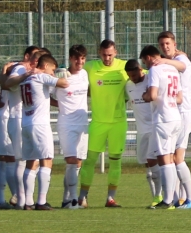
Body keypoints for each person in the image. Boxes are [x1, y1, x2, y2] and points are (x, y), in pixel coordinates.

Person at [151, 31, 191, 208]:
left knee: (178, 158)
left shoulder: (181, 60)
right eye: (162, 44)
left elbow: (182, 66)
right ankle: (178, 198)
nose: (165, 47)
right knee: (171, 158)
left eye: (167, 43)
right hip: (174, 114)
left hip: (184, 112)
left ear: (174, 43)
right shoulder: (169, 63)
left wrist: (164, 60)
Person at [81, 39, 129, 207]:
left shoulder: (125, 66)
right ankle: (83, 197)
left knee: (115, 160)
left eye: (110, 55)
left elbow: (151, 71)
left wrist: (175, 57)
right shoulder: (91, 67)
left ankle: (110, 198)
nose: (107, 58)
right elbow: (70, 70)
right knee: (89, 160)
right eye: (103, 55)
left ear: (116, 53)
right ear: (99, 53)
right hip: (98, 122)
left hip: (118, 123)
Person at [142, 44, 187, 207]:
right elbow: (180, 98)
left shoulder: (155, 69)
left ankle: (168, 200)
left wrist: (145, 95)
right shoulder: (172, 69)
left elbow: (152, 95)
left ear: (148, 58)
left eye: (144, 62)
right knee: (169, 158)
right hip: (175, 116)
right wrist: (167, 99)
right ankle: (173, 199)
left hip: (163, 119)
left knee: (164, 159)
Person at [17, 49, 58, 210]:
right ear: (46, 65)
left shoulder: (25, 79)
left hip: (26, 122)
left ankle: (28, 202)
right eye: (53, 69)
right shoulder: (41, 76)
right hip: (40, 124)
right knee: (46, 160)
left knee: (31, 162)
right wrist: (60, 76)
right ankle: (41, 201)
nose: (53, 72)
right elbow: (63, 83)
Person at [0, 48, 33, 208]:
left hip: (5, 115)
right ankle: (16, 196)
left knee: (5, 160)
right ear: (27, 56)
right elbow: (5, 83)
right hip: (7, 116)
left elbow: (2, 84)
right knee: (11, 159)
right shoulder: (18, 69)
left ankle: (1, 199)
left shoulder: (16, 69)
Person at [55, 45, 94, 207]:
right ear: (71, 58)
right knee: (71, 160)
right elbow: (47, 95)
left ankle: (66, 199)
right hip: (67, 123)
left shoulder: (85, 74)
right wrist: (62, 105)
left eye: (83, 58)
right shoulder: (61, 75)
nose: (80, 61)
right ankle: (72, 199)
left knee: (77, 163)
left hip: (83, 122)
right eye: (77, 58)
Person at [124, 58, 159, 203]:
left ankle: (164, 195)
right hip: (141, 131)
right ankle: (155, 197)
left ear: (140, 69)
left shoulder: (151, 80)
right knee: (147, 168)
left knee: (160, 162)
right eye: (130, 76)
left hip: (156, 128)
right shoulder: (128, 86)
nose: (133, 78)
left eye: (135, 74)